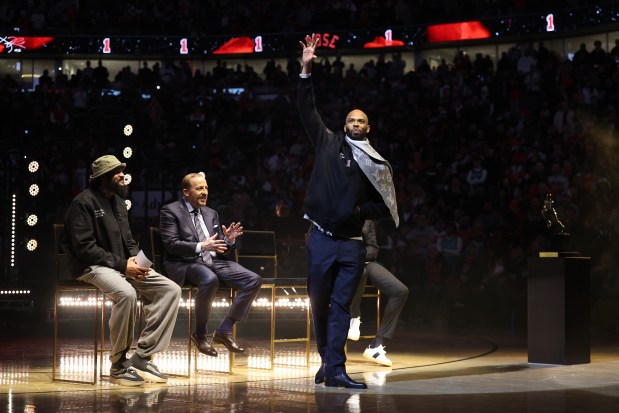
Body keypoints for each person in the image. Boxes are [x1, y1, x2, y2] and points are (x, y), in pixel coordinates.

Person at [298, 34, 399, 389]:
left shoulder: (375, 162)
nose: (355, 124)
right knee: (320, 306)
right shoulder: (327, 142)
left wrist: (359, 211)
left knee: (341, 306)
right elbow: (307, 109)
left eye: (361, 122)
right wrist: (306, 70)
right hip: (321, 240)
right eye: (351, 121)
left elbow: (385, 206)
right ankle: (328, 362)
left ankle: (337, 369)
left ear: (368, 128)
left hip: (352, 244)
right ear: (344, 125)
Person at [63, 155, 181, 386]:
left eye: (122, 171)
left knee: (170, 289)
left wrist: (138, 260)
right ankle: (118, 365)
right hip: (92, 266)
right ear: (102, 178)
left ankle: (143, 355)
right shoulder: (83, 203)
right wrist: (122, 265)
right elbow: (84, 247)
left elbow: (128, 240)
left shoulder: (118, 202)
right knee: (126, 294)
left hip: (121, 264)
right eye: (116, 172)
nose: (122, 175)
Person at [159, 173, 262, 358]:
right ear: (186, 192)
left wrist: (228, 241)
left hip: (214, 260)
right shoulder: (171, 211)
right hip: (186, 261)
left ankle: (224, 330)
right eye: (199, 188)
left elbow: (218, 244)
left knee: (253, 280)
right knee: (209, 279)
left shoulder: (211, 213)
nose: (204, 192)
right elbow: (171, 245)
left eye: (206, 188)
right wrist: (201, 246)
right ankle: (200, 334)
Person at [347, 220, 409, 367]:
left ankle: (376, 345)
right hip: (345, 263)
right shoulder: (338, 212)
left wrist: (360, 255)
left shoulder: (367, 220)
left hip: (365, 261)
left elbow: (373, 249)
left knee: (400, 291)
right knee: (359, 272)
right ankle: (354, 318)